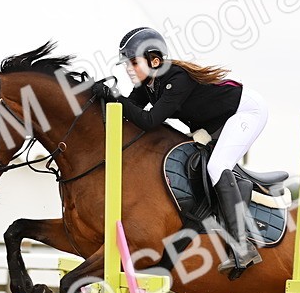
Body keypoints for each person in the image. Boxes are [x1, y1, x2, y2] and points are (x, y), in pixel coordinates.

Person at [109, 26, 267, 277]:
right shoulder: (148, 84)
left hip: (245, 112)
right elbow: (129, 114)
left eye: (132, 62)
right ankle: (231, 206)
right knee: (208, 166)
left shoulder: (176, 78)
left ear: (154, 59)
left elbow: (149, 120)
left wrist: (115, 96)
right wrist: (104, 100)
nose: (128, 68)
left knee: (217, 167)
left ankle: (242, 246)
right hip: (216, 122)